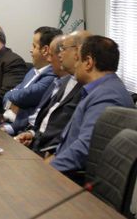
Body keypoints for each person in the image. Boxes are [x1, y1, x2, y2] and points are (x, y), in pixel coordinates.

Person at [49, 35, 134, 174]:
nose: (75, 65)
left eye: (78, 60)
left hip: (73, 179)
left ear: (88, 62)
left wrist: (47, 169)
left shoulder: (107, 96)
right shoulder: (101, 89)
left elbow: (84, 149)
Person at [14, 32, 87, 154]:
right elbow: (46, 121)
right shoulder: (65, 81)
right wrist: (32, 134)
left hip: (51, 153)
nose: (49, 59)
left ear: (78, 52)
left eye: (63, 50)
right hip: (36, 144)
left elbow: (66, 132)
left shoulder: (86, 88)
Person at [1, 26, 61, 135]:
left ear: (45, 50)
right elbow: (7, 96)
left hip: (21, 131)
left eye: (34, 46)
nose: (31, 50)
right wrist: (11, 105)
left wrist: (13, 98)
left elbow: (24, 96)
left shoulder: (52, 76)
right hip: (8, 124)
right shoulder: (32, 71)